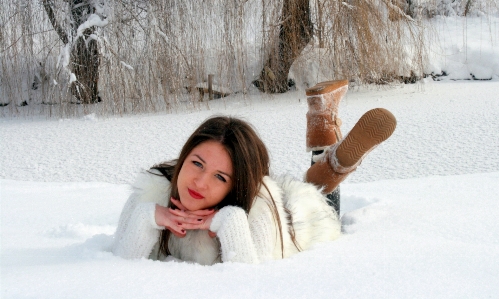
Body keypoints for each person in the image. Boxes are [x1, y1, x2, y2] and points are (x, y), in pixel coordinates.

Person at [111, 80, 397, 265]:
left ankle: (332, 157)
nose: (199, 181)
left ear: (236, 186)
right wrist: (150, 215)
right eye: (197, 163)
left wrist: (228, 219)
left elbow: (247, 281)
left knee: (322, 198)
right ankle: (323, 131)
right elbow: (118, 264)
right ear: (183, 157)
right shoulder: (154, 187)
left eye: (220, 177)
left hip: (296, 222)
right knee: (313, 184)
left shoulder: (259, 208)